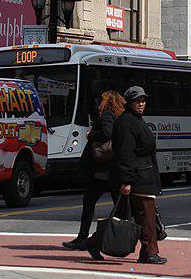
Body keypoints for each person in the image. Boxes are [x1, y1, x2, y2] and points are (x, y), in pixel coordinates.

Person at [92, 85, 165, 265]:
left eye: (143, 100)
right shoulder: (126, 122)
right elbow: (125, 153)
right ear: (129, 103)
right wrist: (126, 181)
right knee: (146, 216)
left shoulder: (136, 120)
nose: (141, 104)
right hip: (137, 178)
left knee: (122, 215)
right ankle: (149, 252)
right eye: (136, 101)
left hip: (141, 175)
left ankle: (93, 243)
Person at [62, 90, 124, 250]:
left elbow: (106, 133)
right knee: (119, 206)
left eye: (101, 100)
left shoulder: (107, 115)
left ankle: (84, 238)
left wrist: (91, 134)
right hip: (113, 169)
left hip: (102, 170)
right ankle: (120, 238)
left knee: (89, 201)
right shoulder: (119, 116)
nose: (98, 103)